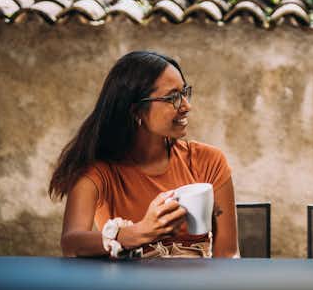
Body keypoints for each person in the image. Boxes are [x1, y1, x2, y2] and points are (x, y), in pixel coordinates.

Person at [49, 51, 238, 258]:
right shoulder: (98, 171)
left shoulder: (209, 161)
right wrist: (141, 232)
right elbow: (71, 243)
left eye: (184, 92)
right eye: (173, 97)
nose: (186, 106)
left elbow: (228, 255)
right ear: (136, 111)